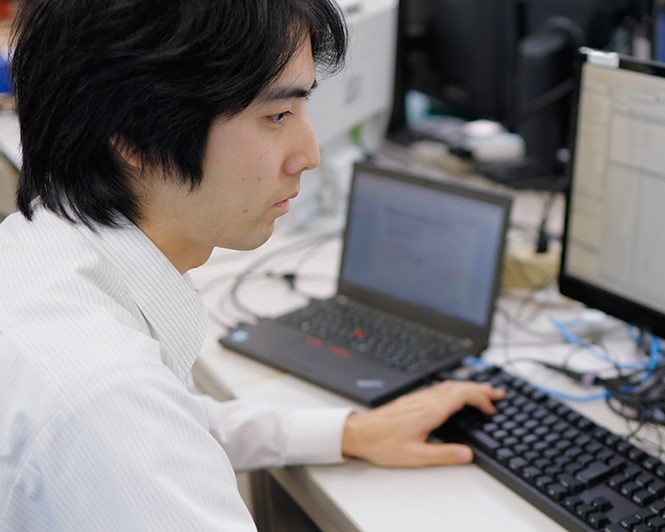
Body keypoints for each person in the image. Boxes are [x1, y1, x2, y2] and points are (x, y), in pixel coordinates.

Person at [0, 0, 504, 530]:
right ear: (135, 140)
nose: (309, 154)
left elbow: (175, 422)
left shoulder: (37, 256)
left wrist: (349, 433)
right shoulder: (106, 396)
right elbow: (133, 425)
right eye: (277, 116)